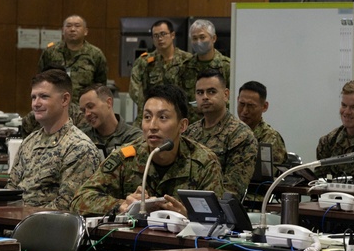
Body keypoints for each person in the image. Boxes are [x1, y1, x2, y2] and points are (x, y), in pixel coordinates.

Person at [72, 85, 224, 216]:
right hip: (131, 246)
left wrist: (188, 216)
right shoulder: (127, 155)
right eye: (147, 117)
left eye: (163, 117)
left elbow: (219, 218)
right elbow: (80, 200)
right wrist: (122, 205)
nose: (152, 126)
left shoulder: (204, 161)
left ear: (182, 126)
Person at [7, 70, 102, 210]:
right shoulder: (30, 141)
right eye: (33, 97)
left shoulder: (79, 147)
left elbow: (66, 206)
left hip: (46, 227)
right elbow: (10, 191)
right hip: (12, 222)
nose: (36, 104)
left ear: (64, 99)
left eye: (44, 97)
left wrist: (19, 217)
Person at [185, 69, 258, 199]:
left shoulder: (240, 134)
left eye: (211, 92)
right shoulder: (190, 132)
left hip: (216, 210)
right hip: (183, 205)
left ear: (226, 95)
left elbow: (232, 190)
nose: (205, 97)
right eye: (200, 93)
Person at [128, 19, 193, 117]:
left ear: (172, 35)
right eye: (156, 36)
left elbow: (193, 93)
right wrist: (152, 107)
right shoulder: (144, 62)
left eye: (163, 34)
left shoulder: (187, 60)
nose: (160, 38)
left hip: (180, 114)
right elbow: (135, 90)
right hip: (152, 113)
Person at [78, 84, 143, 156]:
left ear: (109, 102)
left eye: (90, 106)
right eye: (83, 110)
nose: (87, 114)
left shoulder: (134, 138)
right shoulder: (82, 137)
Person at [236, 80, 287, 166]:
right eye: (241, 104)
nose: (244, 111)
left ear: (264, 106)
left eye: (251, 106)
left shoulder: (270, 138)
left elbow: (267, 175)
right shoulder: (230, 132)